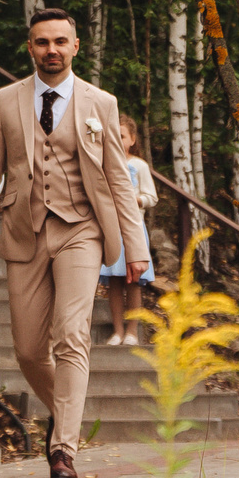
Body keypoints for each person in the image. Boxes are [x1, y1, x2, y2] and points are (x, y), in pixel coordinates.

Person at [0, 8, 151, 478]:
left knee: (72, 334)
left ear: (75, 46)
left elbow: (116, 178)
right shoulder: (7, 100)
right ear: (31, 48)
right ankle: (65, 414)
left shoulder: (100, 103)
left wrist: (135, 248)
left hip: (82, 230)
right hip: (25, 230)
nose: (51, 50)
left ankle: (63, 448)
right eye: (42, 42)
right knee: (28, 350)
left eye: (60, 42)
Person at [101, 117, 166, 347]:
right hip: (111, 230)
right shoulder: (103, 163)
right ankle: (117, 331)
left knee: (133, 281)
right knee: (115, 283)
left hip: (134, 230)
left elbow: (152, 197)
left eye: (122, 136)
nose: (118, 140)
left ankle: (132, 332)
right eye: (114, 136)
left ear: (132, 140)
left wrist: (135, 200)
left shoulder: (138, 166)